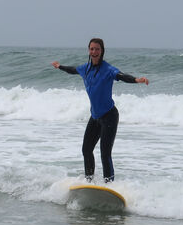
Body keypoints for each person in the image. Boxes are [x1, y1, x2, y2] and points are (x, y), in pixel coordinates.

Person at [51, 38, 149, 183]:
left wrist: (136, 80)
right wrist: (59, 66)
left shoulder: (108, 70)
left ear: (102, 51)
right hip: (95, 117)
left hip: (109, 116)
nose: (94, 52)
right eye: (92, 49)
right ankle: (89, 181)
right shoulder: (85, 68)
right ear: (89, 50)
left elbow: (121, 76)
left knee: (105, 154)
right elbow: (72, 70)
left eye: (97, 49)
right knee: (86, 150)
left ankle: (109, 185)